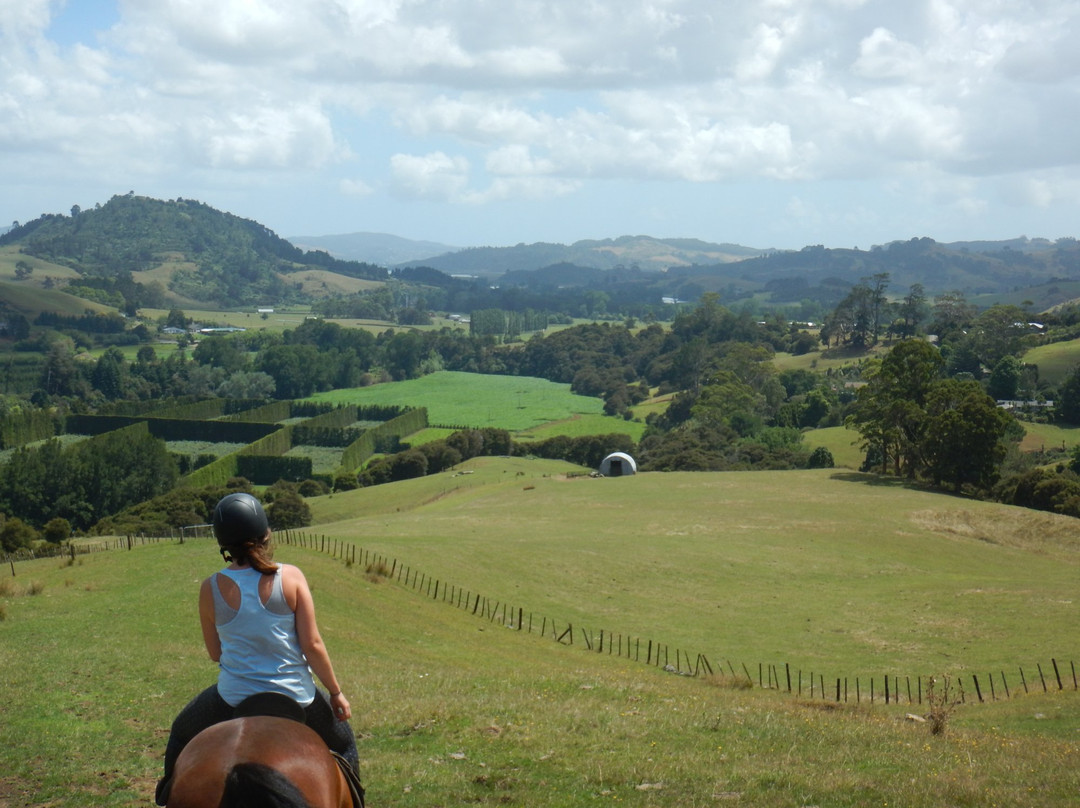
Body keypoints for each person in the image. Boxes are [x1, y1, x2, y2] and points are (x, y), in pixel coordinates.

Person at [156, 492, 358, 805]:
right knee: (344, 743)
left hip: (233, 696)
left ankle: (165, 794)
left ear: (223, 544)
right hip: (297, 696)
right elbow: (313, 644)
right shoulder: (290, 577)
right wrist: (335, 692)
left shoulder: (210, 588)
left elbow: (215, 653)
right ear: (265, 534)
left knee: (182, 730)